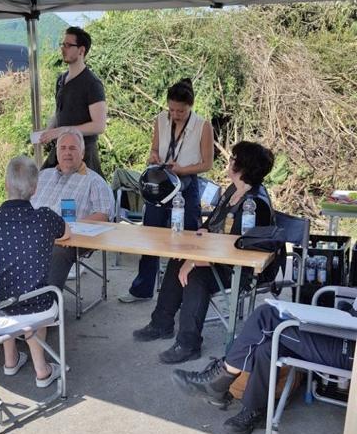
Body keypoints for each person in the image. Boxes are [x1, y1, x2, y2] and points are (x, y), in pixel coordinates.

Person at [133, 141, 275, 364]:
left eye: (232, 158)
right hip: (221, 257)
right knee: (177, 260)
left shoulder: (255, 203)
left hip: (241, 268)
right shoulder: (234, 190)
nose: (228, 162)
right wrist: (203, 233)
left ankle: (188, 344)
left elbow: (236, 248)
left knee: (195, 275)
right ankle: (161, 324)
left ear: (242, 166)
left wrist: (194, 260)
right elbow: (214, 222)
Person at [172, 300, 356, 434]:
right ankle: (256, 409)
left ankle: (218, 382)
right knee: (266, 347)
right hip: (346, 327)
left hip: (349, 346)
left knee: (266, 316)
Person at [0, 156, 70, 388]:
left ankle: (10, 360)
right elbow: (67, 233)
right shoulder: (45, 217)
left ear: (6, 185)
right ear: (35, 189)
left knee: (2, 287)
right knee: (32, 292)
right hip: (33, 310)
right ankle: (42, 370)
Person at [119, 78, 213, 303]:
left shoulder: (203, 126)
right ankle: (142, 289)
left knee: (187, 238)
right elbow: (154, 148)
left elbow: (207, 164)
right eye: (171, 109)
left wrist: (182, 169)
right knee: (151, 235)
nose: (175, 114)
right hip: (161, 182)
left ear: (190, 106)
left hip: (186, 183)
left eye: (180, 111)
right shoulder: (161, 119)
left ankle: (183, 293)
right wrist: (153, 156)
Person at [31, 128, 115, 288]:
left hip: (71, 237)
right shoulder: (42, 176)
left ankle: (48, 300)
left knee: (57, 252)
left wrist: (68, 229)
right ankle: (10, 296)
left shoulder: (94, 181)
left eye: (72, 148)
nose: (67, 153)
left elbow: (103, 215)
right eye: (63, 148)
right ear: (57, 152)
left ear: (82, 153)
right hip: (35, 231)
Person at [38, 27, 106, 175]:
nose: (63, 49)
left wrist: (63, 130)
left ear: (81, 50)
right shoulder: (60, 79)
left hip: (83, 154)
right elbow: (60, 112)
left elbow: (99, 125)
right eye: (62, 44)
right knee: (41, 182)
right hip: (60, 151)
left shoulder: (92, 84)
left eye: (68, 45)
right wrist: (49, 131)